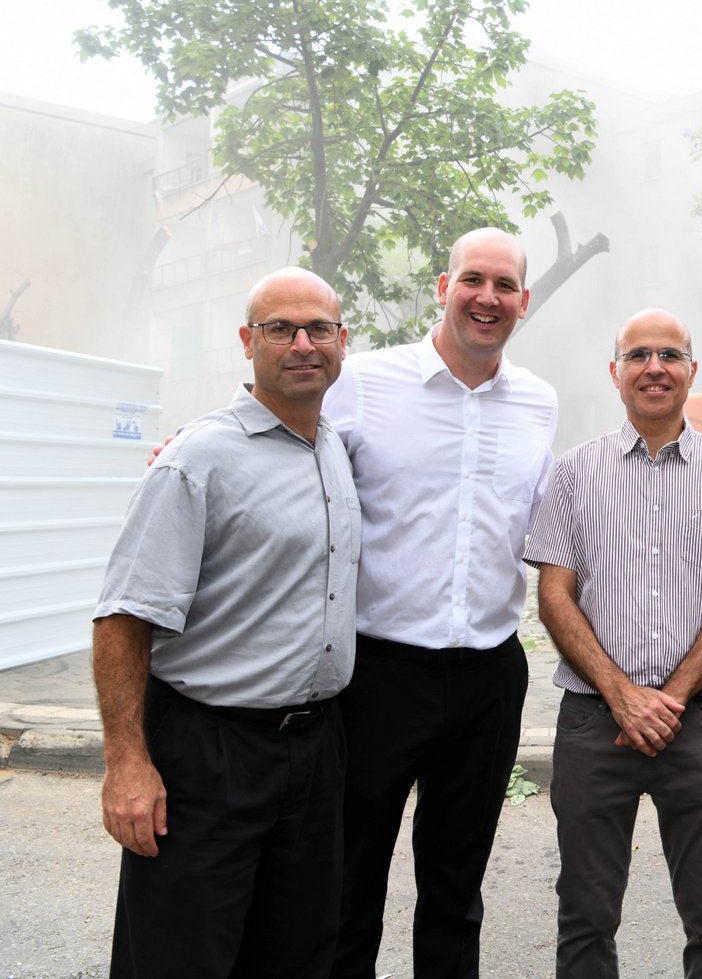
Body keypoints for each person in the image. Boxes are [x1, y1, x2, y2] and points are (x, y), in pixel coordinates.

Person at [93, 268, 360, 976]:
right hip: (208, 754)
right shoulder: (196, 459)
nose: (303, 345)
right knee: (180, 956)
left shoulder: (334, 448)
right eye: (280, 329)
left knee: (297, 955)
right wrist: (126, 762)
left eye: (319, 328)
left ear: (342, 340)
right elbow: (123, 617)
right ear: (247, 341)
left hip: (314, 752)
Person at [328, 227, 558, 978]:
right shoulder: (363, 381)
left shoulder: (538, 402)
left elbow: (552, 525)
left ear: (523, 300)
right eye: (473, 280)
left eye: (504, 285)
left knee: (456, 891)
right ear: (443, 287)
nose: (487, 298)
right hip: (376, 675)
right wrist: (191, 444)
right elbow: (283, 441)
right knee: (347, 881)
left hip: (488, 675)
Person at [523, 308, 702, 978]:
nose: (653, 368)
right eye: (637, 355)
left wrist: (669, 698)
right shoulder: (573, 473)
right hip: (593, 725)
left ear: (692, 370)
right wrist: (622, 696)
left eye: (669, 355)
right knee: (584, 918)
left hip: (701, 722)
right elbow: (554, 596)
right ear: (615, 372)